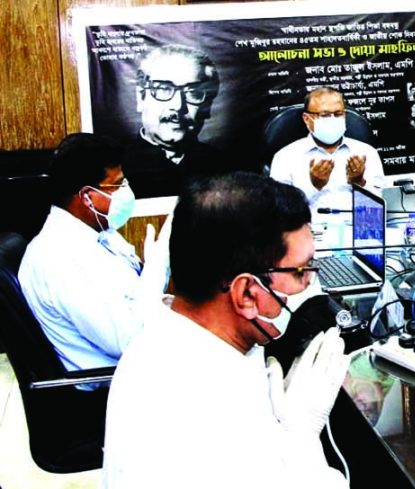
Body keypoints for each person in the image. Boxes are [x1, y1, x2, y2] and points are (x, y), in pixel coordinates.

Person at [102, 172, 349, 488]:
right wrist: (301, 437)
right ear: (246, 292)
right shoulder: (200, 413)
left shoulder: (177, 337)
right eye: (302, 271)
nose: (311, 283)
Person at [18, 133, 171, 376]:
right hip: (109, 388)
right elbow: (127, 340)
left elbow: (132, 299)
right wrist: (157, 268)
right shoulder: (58, 258)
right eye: (118, 184)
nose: (126, 191)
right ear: (87, 197)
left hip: (138, 364)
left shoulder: (99, 234)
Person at [123, 44, 231, 198]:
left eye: (193, 93)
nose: (178, 106)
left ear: (208, 105)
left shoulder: (227, 169)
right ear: (141, 97)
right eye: (164, 89)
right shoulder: (112, 167)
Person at [270, 87, 384, 214]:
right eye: (324, 115)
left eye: (338, 114)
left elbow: (377, 209)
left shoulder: (367, 153)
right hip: (310, 230)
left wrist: (359, 183)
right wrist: (314, 186)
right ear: (307, 119)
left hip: (356, 229)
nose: (333, 119)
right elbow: (281, 211)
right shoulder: (285, 157)